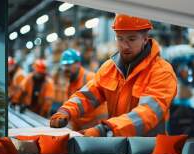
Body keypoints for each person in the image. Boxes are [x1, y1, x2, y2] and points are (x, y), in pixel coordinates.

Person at [50, 14, 178, 137]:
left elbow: (148, 114)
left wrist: (106, 130)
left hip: (149, 150)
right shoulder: (109, 68)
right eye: (119, 38)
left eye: (131, 39)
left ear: (145, 38)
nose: (124, 46)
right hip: (118, 144)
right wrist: (66, 110)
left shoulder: (162, 72)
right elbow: (88, 95)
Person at [59, 48, 108, 131]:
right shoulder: (70, 83)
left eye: (69, 65)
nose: (65, 68)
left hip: (97, 130)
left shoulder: (90, 78)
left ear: (78, 63)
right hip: (81, 131)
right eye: (64, 65)